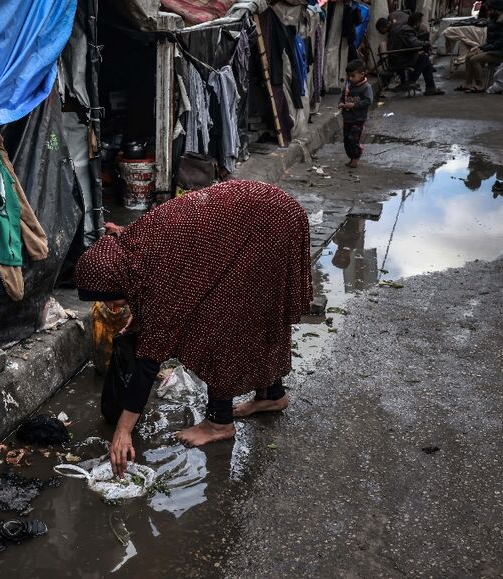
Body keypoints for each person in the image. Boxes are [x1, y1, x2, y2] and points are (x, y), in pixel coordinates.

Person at [74, 181, 312, 477]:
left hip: (270, 222)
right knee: (253, 312)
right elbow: (147, 298)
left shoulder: (155, 272)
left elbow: (149, 363)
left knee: (223, 321)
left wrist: (123, 431)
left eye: (112, 299)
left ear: (117, 281)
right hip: (264, 211)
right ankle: (272, 395)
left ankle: (218, 423)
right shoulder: (131, 251)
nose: (112, 306)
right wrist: (139, 321)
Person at [375, 17, 446, 95]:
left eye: (379, 30)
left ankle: (428, 87)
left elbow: (410, 43)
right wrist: (427, 43)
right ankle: (412, 82)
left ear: (384, 26)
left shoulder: (395, 30)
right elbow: (414, 43)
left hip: (397, 57)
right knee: (424, 58)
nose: (379, 32)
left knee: (422, 57)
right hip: (398, 59)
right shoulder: (399, 29)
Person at [339, 59, 374, 169]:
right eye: (349, 76)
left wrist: (354, 105)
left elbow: (368, 101)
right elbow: (342, 97)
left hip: (358, 118)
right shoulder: (348, 86)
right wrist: (341, 103)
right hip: (347, 118)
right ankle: (351, 157)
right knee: (346, 140)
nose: (350, 78)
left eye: (353, 76)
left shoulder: (366, 87)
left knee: (353, 139)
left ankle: (355, 158)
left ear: (362, 74)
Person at [462, 0, 503, 92]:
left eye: (491, 10)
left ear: (498, 10)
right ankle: (467, 84)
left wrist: (485, 48)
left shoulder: (500, 23)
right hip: (494, 50)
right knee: (468, 56)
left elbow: (500, 43)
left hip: (499, 52)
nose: (488, 12)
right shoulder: (494, 20)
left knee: (474, 59)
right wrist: (480, 47)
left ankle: (480, 85)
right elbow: (490, 41)